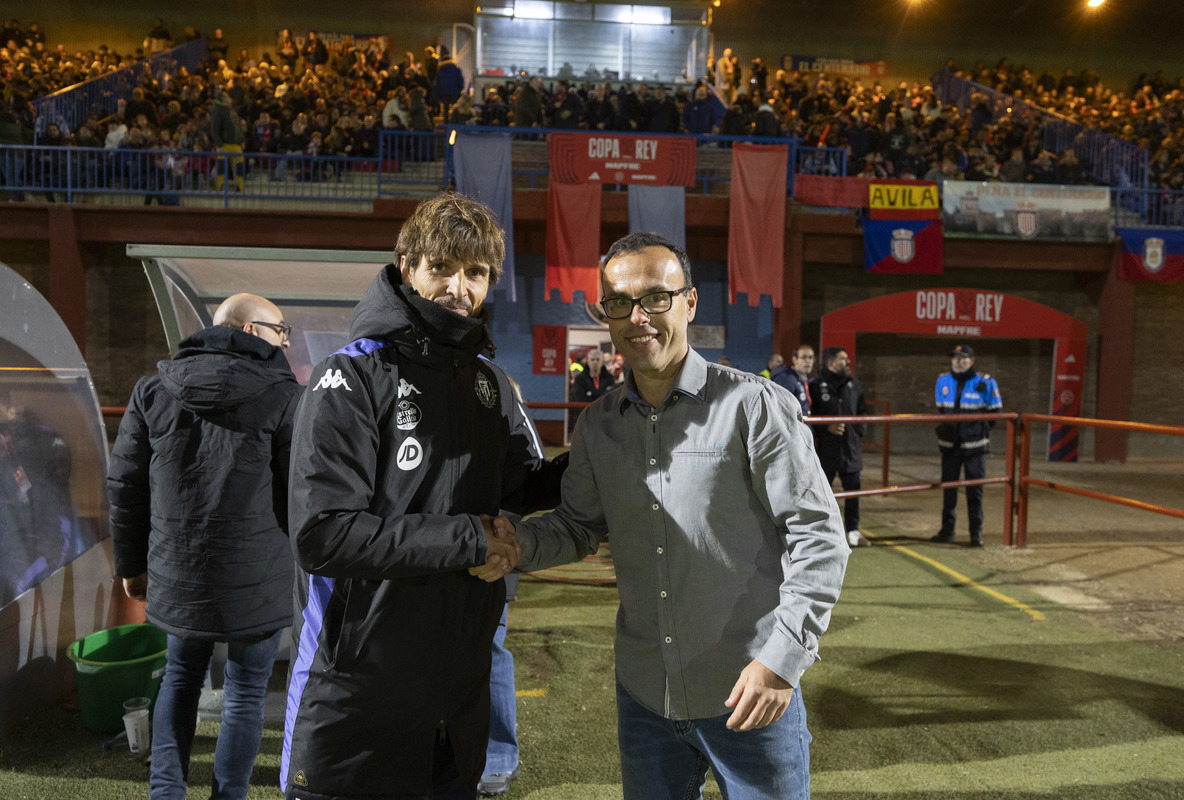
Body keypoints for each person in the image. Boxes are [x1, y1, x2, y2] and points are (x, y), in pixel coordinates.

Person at [503, 231, 850, 800]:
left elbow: (819, 538)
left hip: (750, 691)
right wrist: (513, 543)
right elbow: (578, 525)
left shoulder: (754, 406)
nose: (638, 317)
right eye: (620, 303)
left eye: (656, 299)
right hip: (646, 696)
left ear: (689, 303)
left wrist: (782, 662)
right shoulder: (599, 425)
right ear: (606, 316)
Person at [282, 193, 566, 800]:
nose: (458, 288)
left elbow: (522, 484)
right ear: (407, 265)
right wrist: (470, 539)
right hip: (357, 697)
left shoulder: (489, 384)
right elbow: (322, 533)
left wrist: (610, 452)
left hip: (456, 705)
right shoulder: (352, 376)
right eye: (442, 267)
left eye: (475, 273)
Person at [108, 293, 301, 800]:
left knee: (180, 679)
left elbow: (125, 485)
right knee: (243, 696)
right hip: (256, 572)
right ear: (250, 329)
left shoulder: (153, 389)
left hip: (179, 570)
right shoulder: (284, 396)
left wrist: (130, 564)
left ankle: (166, 792)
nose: (285, 339)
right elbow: (299, 493)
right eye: (280, 329)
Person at [932, 344, 1003, 547]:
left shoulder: (986, 382)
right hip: (949, 446)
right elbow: (941, 411)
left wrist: (976, 432)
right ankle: (947, 531)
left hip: (975, 447)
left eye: (963, 358)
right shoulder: (942, 380)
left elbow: (995, 413)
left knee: (974, 493)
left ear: (972, 361)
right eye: (955, 357)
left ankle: (976, 533)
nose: (958, 361)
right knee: (949, 492)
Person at [808, 346, 869, 547]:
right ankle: (822, 532)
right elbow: (809, 418)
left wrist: (857, 433)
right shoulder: (815, 386)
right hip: (827, 452)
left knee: (853, 494)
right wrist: (827, 427)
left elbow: (862, 412)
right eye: (843, 359)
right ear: (831, 362)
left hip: (851, 451)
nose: (848, 362)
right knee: (821, 494)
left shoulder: (854, 384)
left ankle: (852, 531)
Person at [769, 345, 813, 416]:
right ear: (794, 359)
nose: (808, 361)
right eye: (804, 357)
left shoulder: (802, 379)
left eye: (810, 357)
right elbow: (781, 409)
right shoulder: (787, 379)